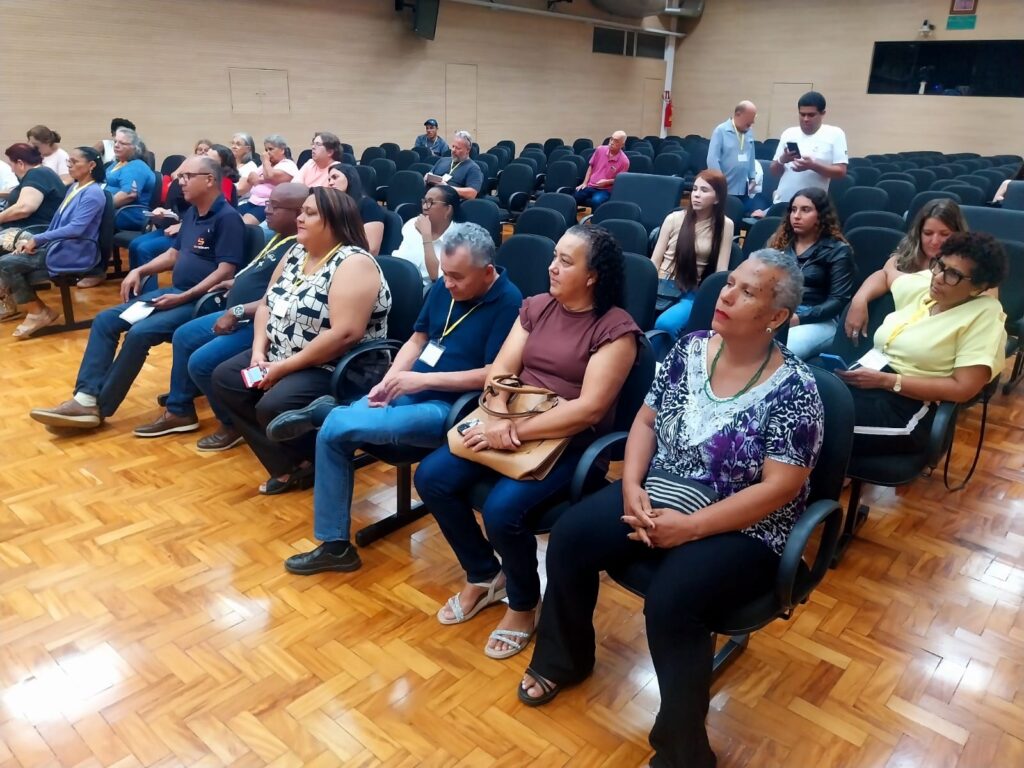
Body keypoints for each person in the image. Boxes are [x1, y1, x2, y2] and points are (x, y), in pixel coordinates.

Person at [517, 250, 823, 768]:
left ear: (776, 316)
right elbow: (645, 422)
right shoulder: (689, 348)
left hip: (744, 525)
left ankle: (684, 752)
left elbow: (781, 488)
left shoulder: (797, 388)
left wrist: (692, 528)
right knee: (569, 537)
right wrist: (631, 485)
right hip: (660, 491)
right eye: (730, 283)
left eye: (747, 292)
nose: (726, 295)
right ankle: (564, 659)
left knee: (671, 601)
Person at [414, 225, 640, 659]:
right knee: (432, 477)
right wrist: (501, 414)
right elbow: (500, 372)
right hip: (510, 422)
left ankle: (522, 602)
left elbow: (589, 409)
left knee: (501, 512)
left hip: (570, 444)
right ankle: (484, 574)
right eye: (554, 256)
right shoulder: (536, 307)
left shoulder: (616, 330)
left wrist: (514, 431)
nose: (552, 267)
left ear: (592, 276)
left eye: (566, 262)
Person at [272, 223, 524, 573]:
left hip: (453, 409)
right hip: (410, 387)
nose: (448, 283)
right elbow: (418, 340)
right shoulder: (445, 286)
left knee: (336, 424)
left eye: (457, 277)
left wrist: (420, 381)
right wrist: (390, 380)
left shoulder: (510, 302)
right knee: (332, 435)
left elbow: (494, 374)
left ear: (487, 271)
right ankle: (335, 546)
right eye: (445, 273)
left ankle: (327, 412)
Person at [29, 156, 246, 430]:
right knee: (105, 320)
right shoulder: (193, 213)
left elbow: (226, 271)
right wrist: (139, 271)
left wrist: (184, 296)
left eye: (187, 176)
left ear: (210, 180)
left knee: (139, 333)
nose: (180, 182)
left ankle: (98, 408)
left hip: (202, 302)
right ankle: (85, 398)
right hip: (176, 293)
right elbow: (173, 254)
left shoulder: (228, 218)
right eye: (180, 176)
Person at [210, 187, 392, 495]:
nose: (300, 218)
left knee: (274, 405)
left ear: (334, 221)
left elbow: (345, 333)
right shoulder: (297, 251)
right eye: (301, 211)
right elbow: (266, 304)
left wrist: (282, 368)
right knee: (226, 379)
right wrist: (258, 353)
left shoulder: (353, 262)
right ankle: (290, 463)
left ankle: (322, 458)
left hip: (337, 365)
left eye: (310, 213)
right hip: (283, 353)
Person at [132, 183, 309, 443]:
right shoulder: (279, 237)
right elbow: (259, 275)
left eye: (274, 206)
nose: (266, 210)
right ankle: (179, 410)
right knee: (184, 335)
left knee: (201, 363)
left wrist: (236, 311)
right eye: (267, 203)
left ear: (297, 213)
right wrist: (236, 282)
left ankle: (234, 424)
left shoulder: (300, 247)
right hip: (237, 311)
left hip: (255, 323)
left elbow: (276, 300)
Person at [837, 232, 1006, 455]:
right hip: (871, 380)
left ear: (979, 286)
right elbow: (885, 274)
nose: (938, 277)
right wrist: (860, 300)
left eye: (953, 274)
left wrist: (887, 381)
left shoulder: (985, 314)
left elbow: (963, 389)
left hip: (910, 408)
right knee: (805, 404)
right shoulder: (928, 289)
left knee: (817, 424)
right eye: (940, 265)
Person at [0, 148, 106, 333]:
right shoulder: (74, 188)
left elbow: (76, 228)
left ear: (91, 165)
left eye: (74, 162)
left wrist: (38, 239)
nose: (69, 165)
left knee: (6, 264)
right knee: (11, 258)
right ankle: (36, 310)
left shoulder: (93, 193)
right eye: (68, 161)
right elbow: (57, 223)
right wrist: (34, 241)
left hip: (74, 251)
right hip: (58, 245)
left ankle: (38, 312)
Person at [844, 198, 968, 343]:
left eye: (944, 234)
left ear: (958, 234)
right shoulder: (903, 259)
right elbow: (883, 275)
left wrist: (890, 274)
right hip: (897, 335)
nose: (935, 241)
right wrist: (859, 299)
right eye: (928, 233)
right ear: (918, 233)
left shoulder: (968, 268)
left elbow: (891, 276)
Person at [767, 187, 855, 359]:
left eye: (805, 210)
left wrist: (798, 318)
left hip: (818, 319)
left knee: (777, 352)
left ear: (821, 215)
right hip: (777, 310)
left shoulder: (839, 250)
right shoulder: (779, 242)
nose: (796, 216)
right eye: (793, 210)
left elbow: (838, 300)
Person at [651, 170, 734, 337]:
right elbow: (655, 260)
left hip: (692, 290)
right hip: (662, 284)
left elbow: (721, 270)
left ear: (717, 199)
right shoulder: (673, 218)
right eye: (695, 189)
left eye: (704, 190)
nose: (696, 194)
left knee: (665, 324)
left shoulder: (725, 225)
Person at [770, 91, 848, 204]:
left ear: (823, 113)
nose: (806, 119)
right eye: (802, 114)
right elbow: (774, 172)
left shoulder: (835, 134)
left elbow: (840, 172)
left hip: (813, 204)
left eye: (811, 115)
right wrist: (782, 160)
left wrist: (813, 166)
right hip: (783, 201)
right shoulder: (789, 133)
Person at [393, 184, 459, 289]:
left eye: (431, 203)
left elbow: (436, 278)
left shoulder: (457, 239)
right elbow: (399, 257)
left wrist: (426, 236)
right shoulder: (413, 223)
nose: (424, 207)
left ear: (448, 210)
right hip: (397, 279)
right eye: (424, 201)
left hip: (428, 289)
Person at [0, 144, 66, 235]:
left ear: (20, 163)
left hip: (31, 232)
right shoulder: (42, 173)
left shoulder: (37, 174)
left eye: (11, 165)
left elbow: (24, 208)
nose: (12, 170)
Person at [238, 134, 299, 225]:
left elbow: (269, 176)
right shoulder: (268, 165)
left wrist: (265, 162)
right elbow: (250, 178)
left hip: (268, 206)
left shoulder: (288, 165)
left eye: (271, 149)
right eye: (266, 150)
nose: (267, 153)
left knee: (244, 224)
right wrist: (263, 178)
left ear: (282, 150)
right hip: (252, 201)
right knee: (229, 217)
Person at [325, 163, 385, 255]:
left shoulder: (369, 206)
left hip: (356, 259)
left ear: (350, 178)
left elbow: (372, 249)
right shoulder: (334, 206)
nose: (330, 183)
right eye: (329, 179)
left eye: (335, 177)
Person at [105, 127, 156, 231]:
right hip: (115, 210)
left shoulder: (136, 167)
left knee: (86, 216)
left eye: (122, 143)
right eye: (115, 142)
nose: (116, 145)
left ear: (135, 147)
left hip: (128, 214)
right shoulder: (117, 163)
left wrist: (99, 207)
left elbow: (128, 195)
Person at [706, 101, 758, 202]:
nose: (752, 122)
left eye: (753, 118)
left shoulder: (749, 132)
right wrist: (720, 183)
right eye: (749, 119)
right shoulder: (720, 131)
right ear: (738, 114)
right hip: (725, 190)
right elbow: (712, 159)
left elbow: (751, 156)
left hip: (743, 189)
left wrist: (752, 178)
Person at [574, 131, 630, 211]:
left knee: (596, 201)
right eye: (611, 139)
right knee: (575, 195)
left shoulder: (624, 161)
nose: (611, 142)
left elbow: (620, 180)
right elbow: (591, 166)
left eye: (616, 141)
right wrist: (585, 183)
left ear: (622, 145)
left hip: (606, 190)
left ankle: (596, 218)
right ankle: (573, 217)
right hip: (591, 185)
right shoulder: (600, 149)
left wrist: (607, 182)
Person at [426, 131, 483, 200]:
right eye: (453, 146)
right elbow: (430, 174)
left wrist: (447, 188)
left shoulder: (473, 168)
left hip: (448, 202)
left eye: (458, 148)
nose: (453, 150)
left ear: (468, 150)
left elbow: (472, 193)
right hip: (430, 198)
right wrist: (426, 177)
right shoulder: (442, 160)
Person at [230, 133, 259, 204]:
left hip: (242, 203)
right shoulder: (229, 163)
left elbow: (240, 190)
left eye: (238, 144)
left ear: (248, 149)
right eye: (232, 143)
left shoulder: (250, 166)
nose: (234, 146)